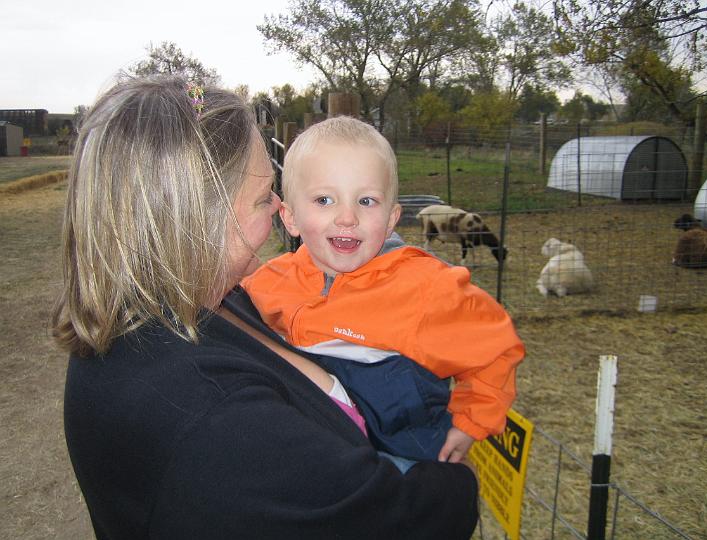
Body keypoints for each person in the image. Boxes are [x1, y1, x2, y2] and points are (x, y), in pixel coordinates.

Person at [52, 76, 479, 540]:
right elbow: (399, 518)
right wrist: (460, 483)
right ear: (197, 218)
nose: (280, 206)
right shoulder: (211, 419)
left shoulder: (195, 303)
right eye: (263, 197)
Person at [242, 116, 526, 470]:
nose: (347, 217)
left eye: (366, 201)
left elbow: (496, 348)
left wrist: (472, 421)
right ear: (290, 217)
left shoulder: (426, 288)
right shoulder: (269, 283)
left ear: (392, 218)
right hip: (319, 451)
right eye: (325, 199)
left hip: (403, 456)